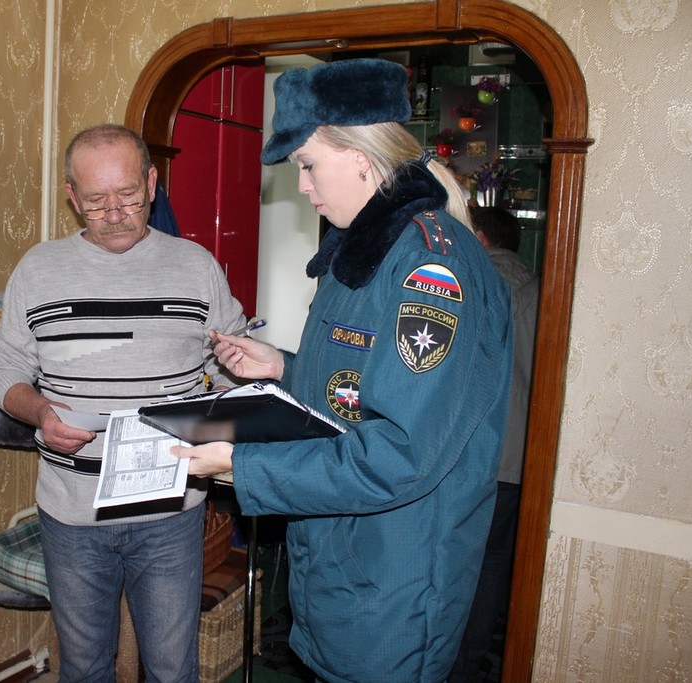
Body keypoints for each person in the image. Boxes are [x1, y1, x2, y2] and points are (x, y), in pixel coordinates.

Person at [173, 58, 514, 683]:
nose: (302, 187)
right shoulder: (364, 249)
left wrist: (242, 465)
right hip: (341, 553)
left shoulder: (430, 268)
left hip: (395, 574)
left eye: (307, 164)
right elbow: (359, 387)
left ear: (360, 156)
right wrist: (284, 367)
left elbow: (401, 450)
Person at [0, 123, 245, 682]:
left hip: (171, 511)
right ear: (72, 198)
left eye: (128, 195)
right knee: (83, 669)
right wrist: (41, 413)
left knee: (172, 670)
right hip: (71, 512)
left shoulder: (196, 266)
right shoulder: (38, 269)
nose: (116, 213)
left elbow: (232, 367)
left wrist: (230, 395)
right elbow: (1, 369)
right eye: (97, 201)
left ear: (151, 183)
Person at [450, 207, 540, 682]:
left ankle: (446, 660)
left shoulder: (477, 283)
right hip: (519, 452)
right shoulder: (539, 288)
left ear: (480, 239)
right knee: (494, 563)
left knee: (456, 562)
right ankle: (470, 661)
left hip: (476, 451)